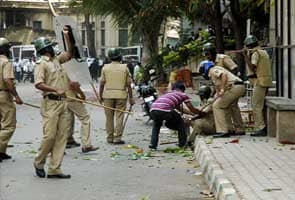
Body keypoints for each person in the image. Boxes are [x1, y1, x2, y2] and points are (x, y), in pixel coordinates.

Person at [33, 27, 73, 179]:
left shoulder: (57, 59)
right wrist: (55, 89)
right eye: (50, 45)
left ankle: (55, 168)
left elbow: (69, 54)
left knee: (62, 136)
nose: (53, 47)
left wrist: (67, 36)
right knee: (49, 137)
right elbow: (38, 83)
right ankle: (38, 161)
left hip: (63, 103)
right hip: (50, 104)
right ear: (45, 48)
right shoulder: (41, 64)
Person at [203, 42, 245, 135]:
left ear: (213, 52)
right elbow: (216, 84)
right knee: (223, 105)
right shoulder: (210, 64)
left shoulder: (222, 58)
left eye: (208, 53)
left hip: (232, 85)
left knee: (230, 106)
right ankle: (229, 128)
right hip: (227, 87)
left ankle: (238, 128)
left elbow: (233, 69)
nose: (207, 56)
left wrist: (228, 83)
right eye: (205, 54)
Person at [149, 81, 204, 150]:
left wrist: (192, 114)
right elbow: (190, 107)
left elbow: (181, 109)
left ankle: (153, 144)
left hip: (153, 109)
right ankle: (182, 144)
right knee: (181, 123)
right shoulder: (183, 94)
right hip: (165, 110)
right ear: (182, 89)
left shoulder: (169, 94)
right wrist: (200, 113)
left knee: (156, 125)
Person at [99, 48, 134, 144]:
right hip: (121, 95)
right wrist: (131, 98)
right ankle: (117, 138)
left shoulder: (105, 68)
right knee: (119, 116)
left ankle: (110, 138)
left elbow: (102, 83)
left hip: (108, 95)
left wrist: (100, 96)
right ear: (120, 56)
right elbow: (128, 85)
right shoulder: (125, 68)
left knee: (109, 117)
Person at [243, 35, 273, 137]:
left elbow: (252, 67)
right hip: (266, 80)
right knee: (261, 105)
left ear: (249, 46)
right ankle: (263, 126)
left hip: (260, 81)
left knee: (256, 105)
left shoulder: (255, 53)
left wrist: (245, 56)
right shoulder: (263, 52)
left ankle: (260, 128)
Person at [0, 37, 23, 162]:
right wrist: (16, 96)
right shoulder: (5, 62)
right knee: (8, 126)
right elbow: (8, 81)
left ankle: (2, 152)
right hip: (3, 96)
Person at [66, 81, 99, 153]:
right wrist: (81, 94)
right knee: (85, 118)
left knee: (67, 120)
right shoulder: (69, 70)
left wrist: (77, 96)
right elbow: (73, 84)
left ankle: (67, 141)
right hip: (70, 98)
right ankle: (87, 145)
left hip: (61, 98)